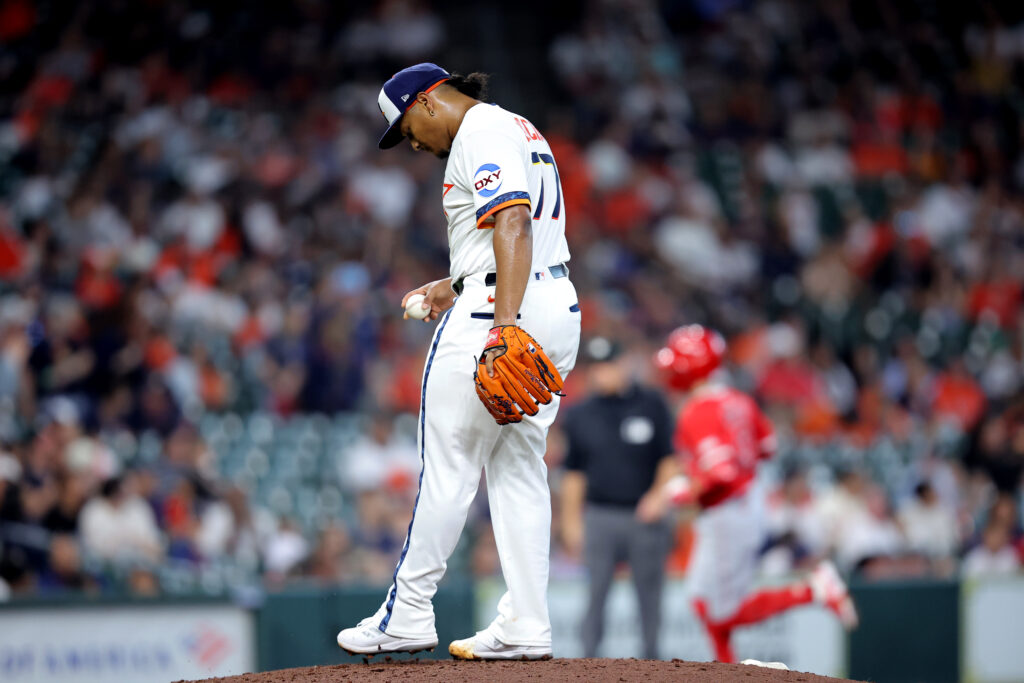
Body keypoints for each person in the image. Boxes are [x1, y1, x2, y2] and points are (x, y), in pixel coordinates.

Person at [336, 63, 581, 660]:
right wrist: (455, 284)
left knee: (449, 463)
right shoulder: (516, 126)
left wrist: (502, 325)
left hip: (500, 310)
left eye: (407, 129)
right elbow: (513, 233)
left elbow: (514, 221)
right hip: (552, 302)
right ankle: (526, 623)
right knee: (518, 468)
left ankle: (408, 611)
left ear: (426, 101)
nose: (414, 144)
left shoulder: (479, 131)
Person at [650, 325, 858, 664]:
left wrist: (674, 494)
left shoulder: (698, 409)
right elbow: (767, 446)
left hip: (728, 513)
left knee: (721, 611)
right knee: (700, 599)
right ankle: (728, 668)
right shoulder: (738, 399)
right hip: (747, 505)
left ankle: (813, 590)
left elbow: (720, 473)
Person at [561, 337, 677, 659]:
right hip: (600, 516)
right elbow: (574, 473)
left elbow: (670, 458)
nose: (602, 373)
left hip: (644, 515)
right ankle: (588, 663)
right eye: (597, 367)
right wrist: (571, 523)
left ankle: (652, 662)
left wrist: (659, 496)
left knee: (650, 596)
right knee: (595, 594)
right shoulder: (580, 414)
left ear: (625, 363)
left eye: (608, 365)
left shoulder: (652, 404)